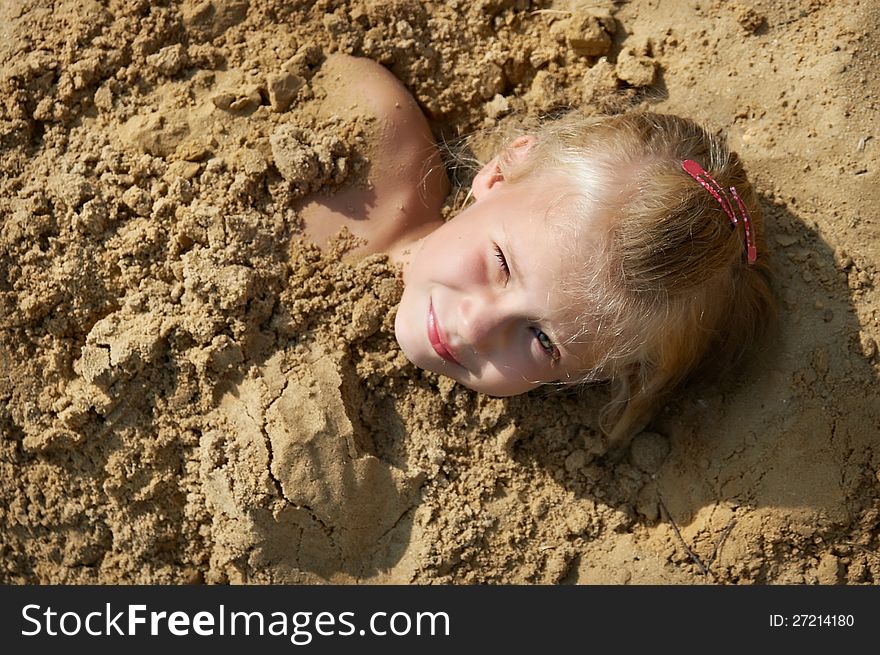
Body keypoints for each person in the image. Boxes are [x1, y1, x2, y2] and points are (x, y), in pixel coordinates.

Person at [297, 54, 774, 447]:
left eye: (544, 341)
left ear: (593, 374)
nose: (477, 327)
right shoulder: (368, 133)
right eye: (501, 263)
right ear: (501, 170)